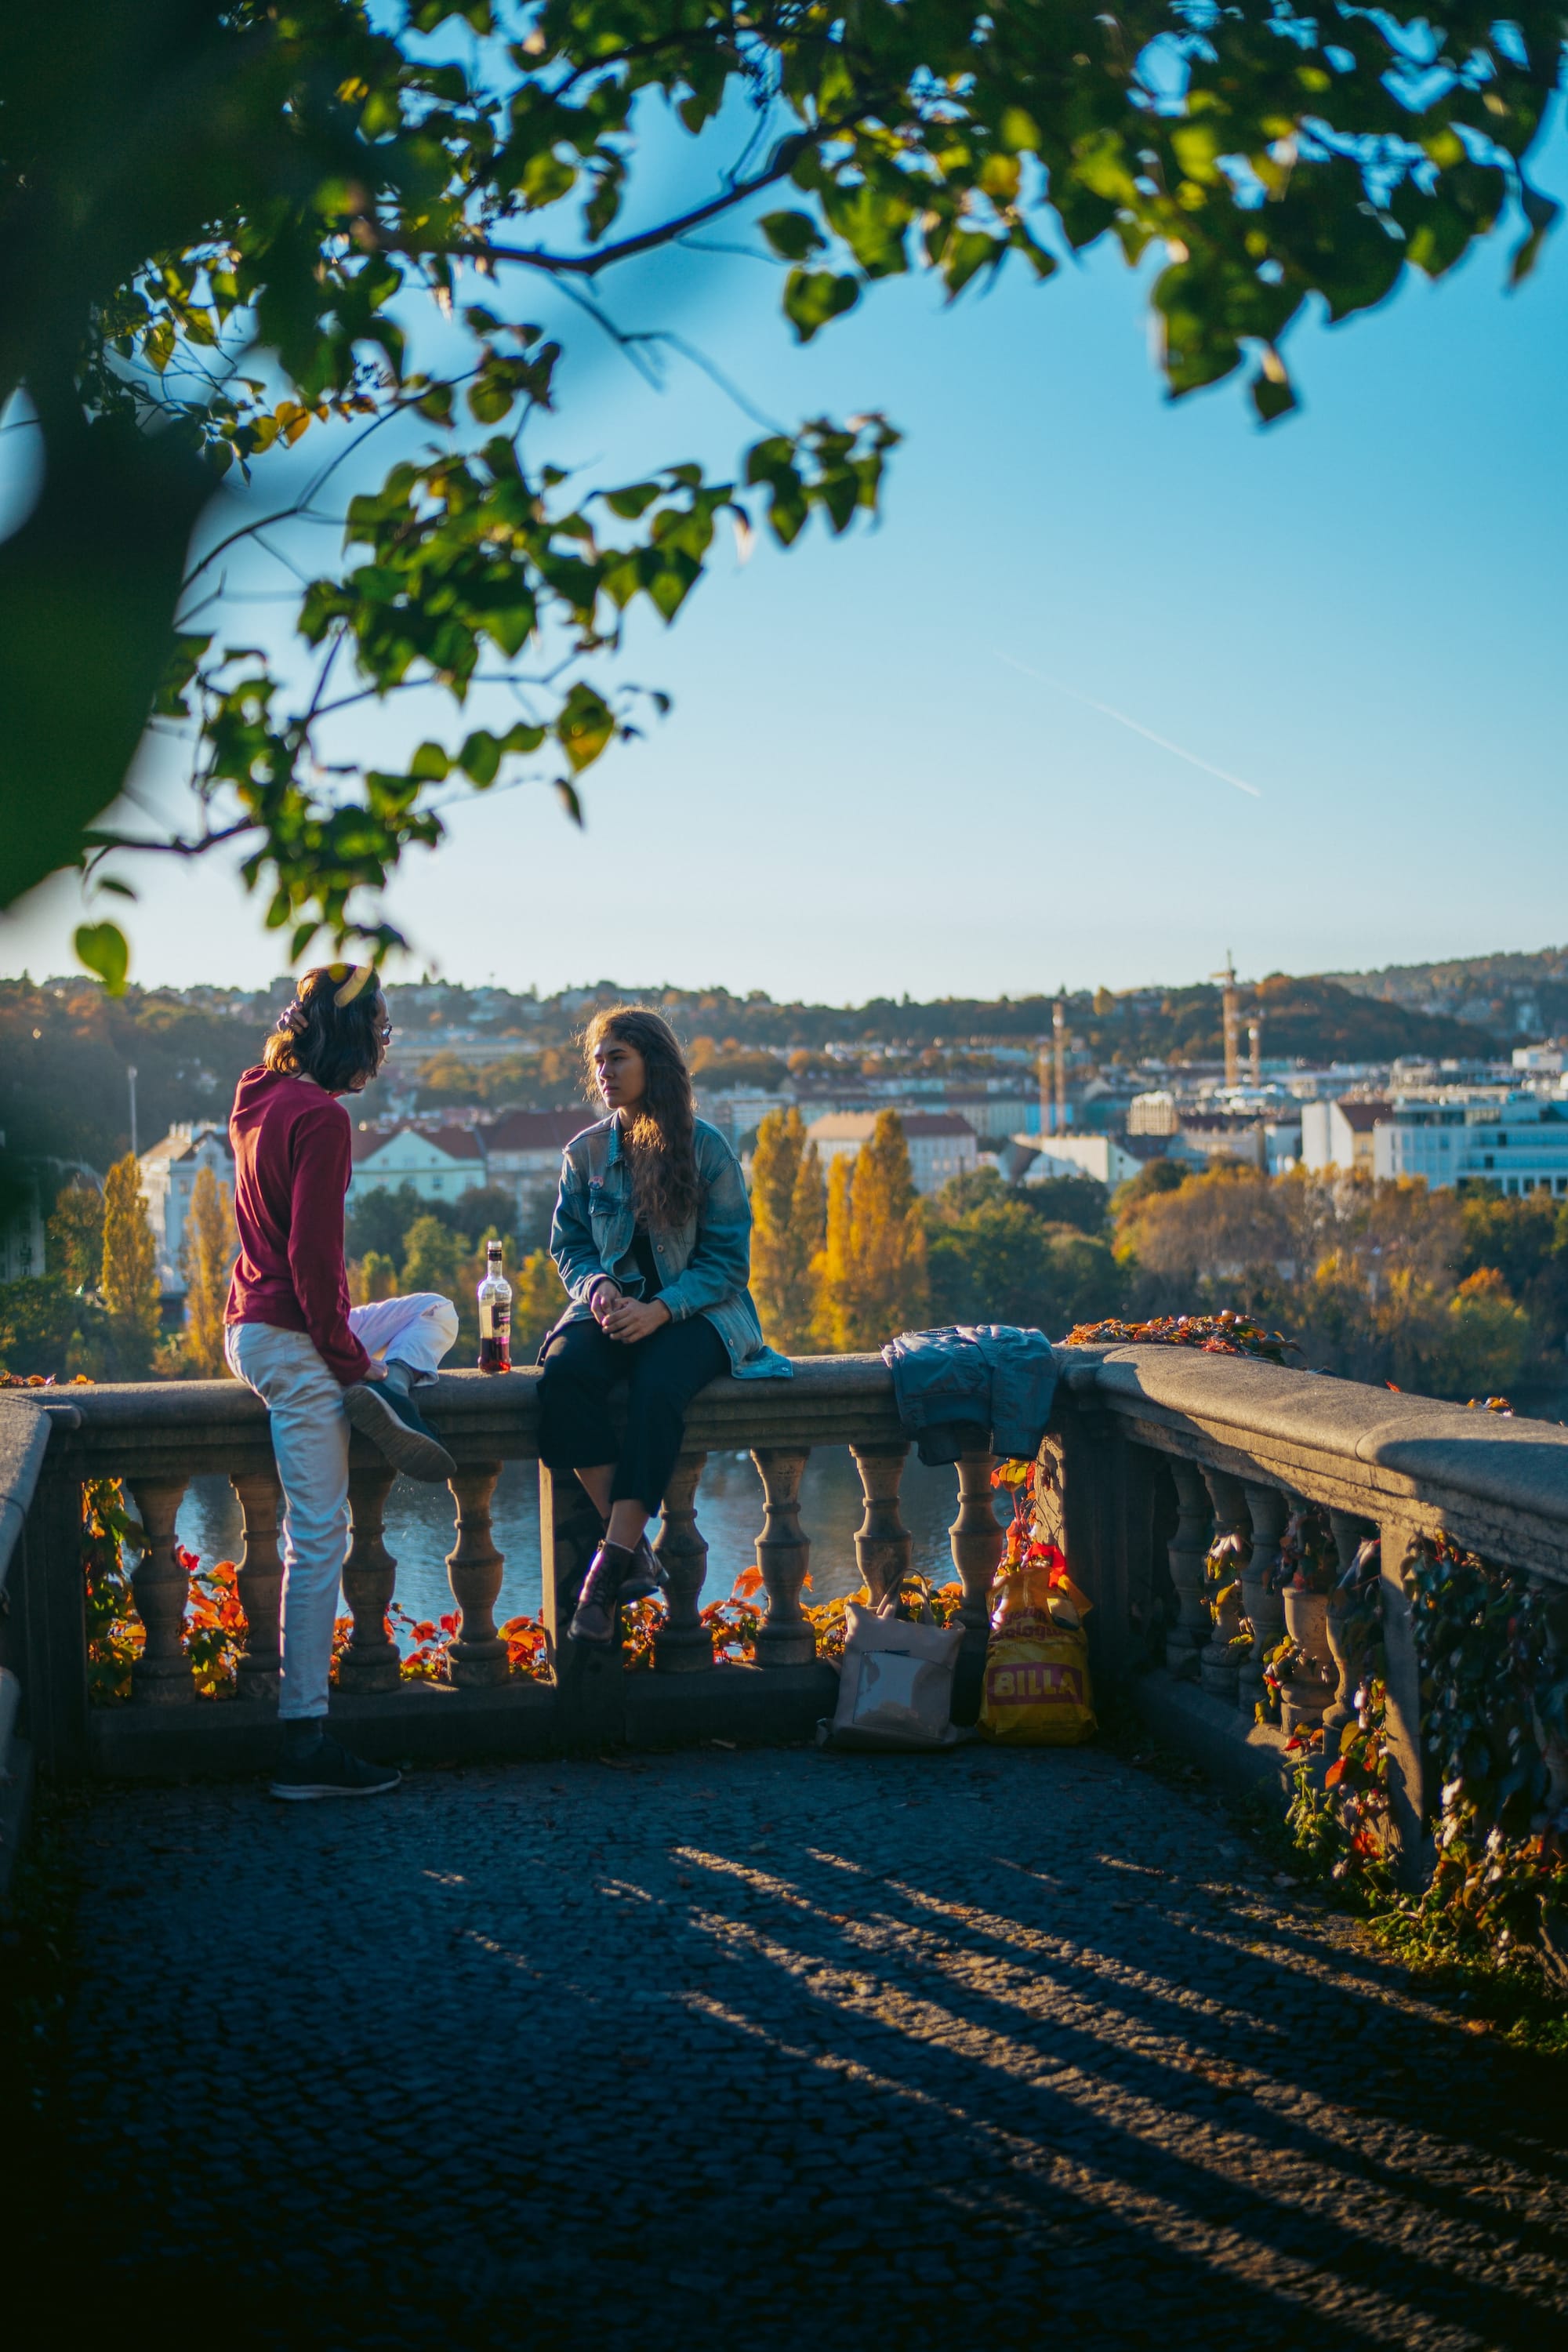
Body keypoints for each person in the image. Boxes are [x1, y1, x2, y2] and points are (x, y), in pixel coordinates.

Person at [224, 962, 459, 1801]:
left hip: (249, 1325)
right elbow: (315, 1260)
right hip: (297, 1336)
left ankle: (389, 1387)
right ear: (352, 1039)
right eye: (379, 1035)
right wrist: (342, 1357)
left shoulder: (254, 1095)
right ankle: (303, 1743)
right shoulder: (321, 1120)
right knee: (317, 1535)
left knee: (434, 1308)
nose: (382, 1051)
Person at [539, 1004, 791, 1642]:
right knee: (562, 1374)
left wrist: (661, 1309)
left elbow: (728, 1261)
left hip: (700, 1313)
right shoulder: (588, 1153)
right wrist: (596, 1288)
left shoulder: (705, 1148)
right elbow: (569, 1244)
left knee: (657, 1386)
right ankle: (634, 1550)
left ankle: (604, 1575)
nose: (604, 1072)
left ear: (654, 1063)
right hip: (615, 1308)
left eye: (617, 1058)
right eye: (598, 1061)